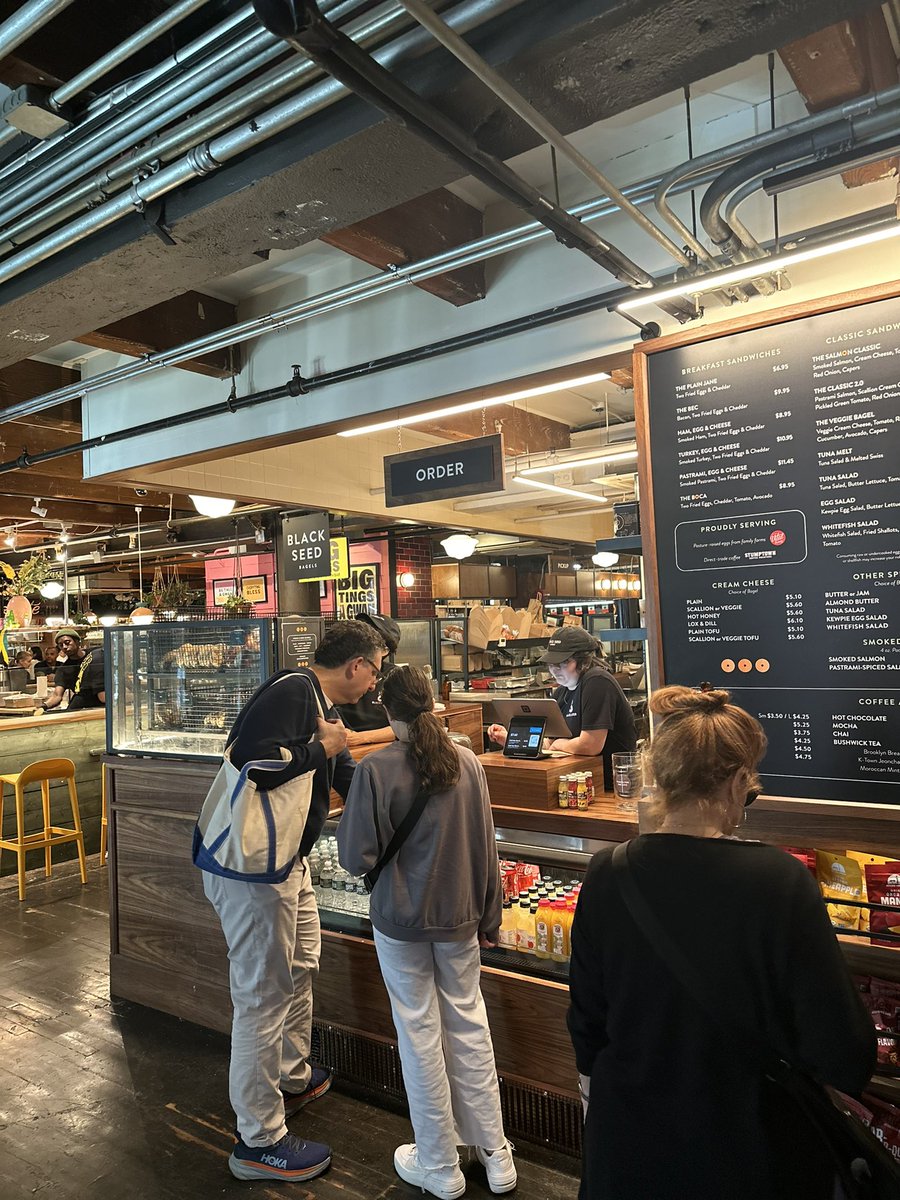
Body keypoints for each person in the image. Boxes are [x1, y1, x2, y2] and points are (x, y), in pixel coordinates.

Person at [567, 686, 876, 1200]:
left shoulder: (609, 871)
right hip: (747, 1145)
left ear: (659, 777)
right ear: (736, 782)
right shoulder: (779, 881)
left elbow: (586, 1024)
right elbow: (841, 1049)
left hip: (631, 1144)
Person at [197, 619, 387, 1184]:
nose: (375, 684)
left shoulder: (318, 700)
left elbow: (339, 768)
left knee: (301, 967)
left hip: (286, 865)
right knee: (261, 996)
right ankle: (258, 1140)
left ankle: (292, 1075)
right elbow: (257, 764)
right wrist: (320, 748)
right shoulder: (292, 690)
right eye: (375, 670)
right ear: (355, 665)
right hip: (253, 872)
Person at [338, 665, 515, 1200]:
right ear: (434, 701)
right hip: (461, 917)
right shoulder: (467, 762)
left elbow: (353, 857)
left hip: (401, 921)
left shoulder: (376, 770)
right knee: (469, 1023)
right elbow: (488, 847)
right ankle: (496, 1153)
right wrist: (491, 916)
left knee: (418, 1034)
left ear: (386, 711)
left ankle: (439, 1163)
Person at [488, 626, 636, 789]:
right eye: (551, 664)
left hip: (611, 786)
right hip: (579, 784)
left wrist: (559, 745)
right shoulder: (563, 691)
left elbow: (590, 745)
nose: (554, 670)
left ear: (583, 661)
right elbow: (547, 742)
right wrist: (511, 739)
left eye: (563, 663)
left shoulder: (597, 681)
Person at [335, 612, 401, 747]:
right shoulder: (339, 673)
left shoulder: (395, 676)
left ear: (385, 650)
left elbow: (409, 726)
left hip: (383, 750)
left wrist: (360, 738)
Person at [40, 630, 88, 710]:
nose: (64, 647)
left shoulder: (93, 655)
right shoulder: (63, 669)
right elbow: (57, 696)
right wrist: (43, 707)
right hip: (81, 705)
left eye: (67, 642)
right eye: (61, 645)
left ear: (77, 642)